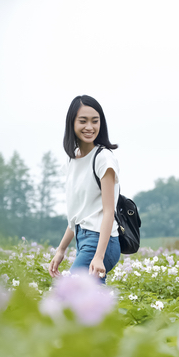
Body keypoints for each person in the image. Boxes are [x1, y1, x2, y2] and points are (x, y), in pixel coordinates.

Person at [48, 95, 121, 284]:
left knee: (71, 294)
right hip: (83, 240)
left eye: (95, 121)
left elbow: (108, 212)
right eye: (83, 121)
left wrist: (99, 256)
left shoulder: (104, 158)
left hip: (101, 242)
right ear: (71, 123)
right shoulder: (73, 160)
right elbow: (77, 215)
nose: (89, 127)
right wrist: (61, 249)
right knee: (88, 304)